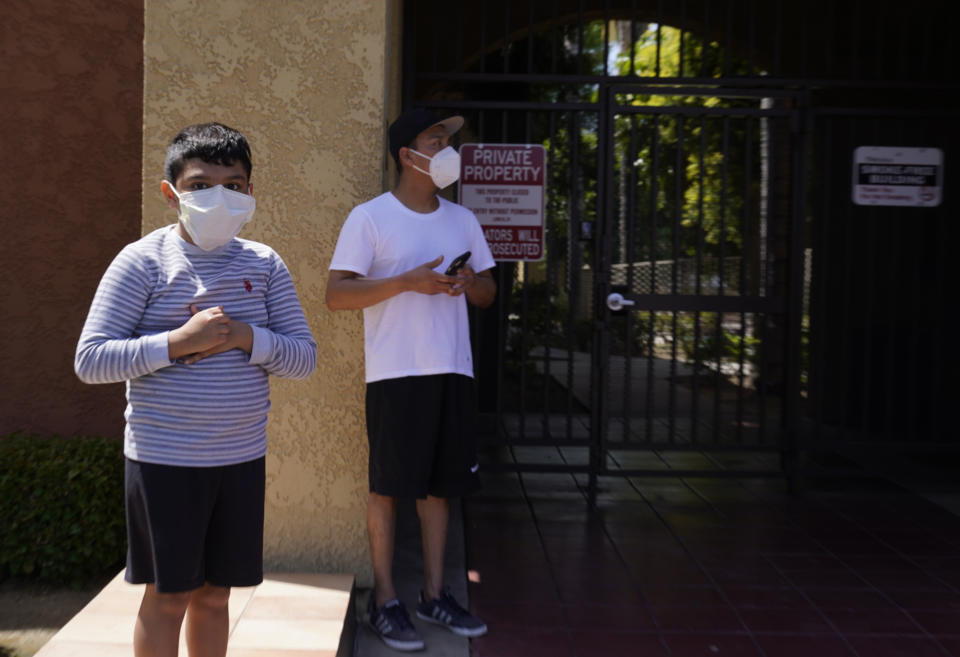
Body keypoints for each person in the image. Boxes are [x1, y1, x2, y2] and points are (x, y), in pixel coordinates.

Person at [75, 122, 317, 657]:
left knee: (216, 595)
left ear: (251, 194)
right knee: (169, 597)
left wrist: (246, 337)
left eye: (233, 184)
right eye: (201, 184)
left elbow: (305, 358)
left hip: (240, 458)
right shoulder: (141, 263)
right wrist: (178, 343)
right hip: (165, 461)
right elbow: (90, 361)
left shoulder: (265, 264)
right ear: (171, 193)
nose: (219, 197)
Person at [326, 108, 495, 651]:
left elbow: (489, 293)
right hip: (396, 373)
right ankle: (385, 601)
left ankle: (434, 595)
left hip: (452, 368)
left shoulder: (462, 219)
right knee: (388, 488)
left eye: (449, 138)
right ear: (408, 154)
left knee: (440, 489)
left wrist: (469, 281)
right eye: (436, 138)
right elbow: (335, 295)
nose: (448, 147)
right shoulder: (370, 218)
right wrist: (406, 283)